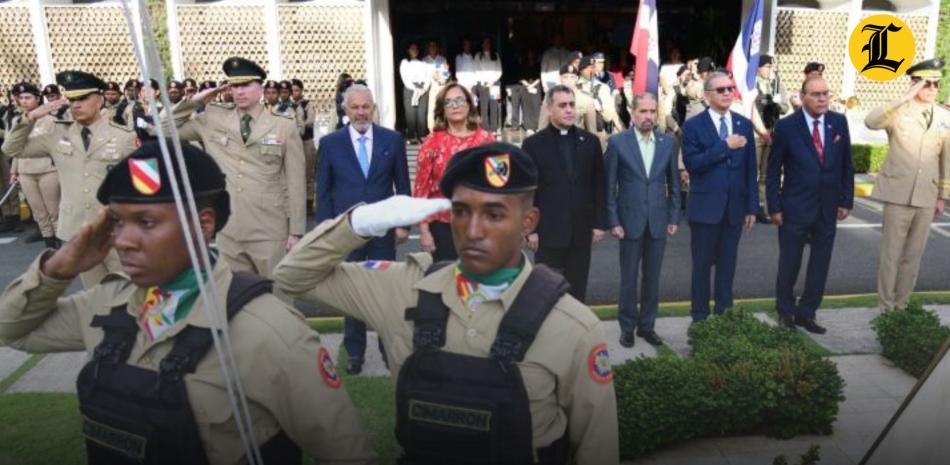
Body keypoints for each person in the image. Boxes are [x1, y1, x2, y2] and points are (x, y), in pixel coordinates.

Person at [0, 141, 376, 465]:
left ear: (205, 223)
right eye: (117, 222)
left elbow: (346, 453)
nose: (124, 240)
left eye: (146, 222)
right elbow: (12, 331)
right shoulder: (108, 305)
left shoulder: (267, 329)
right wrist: (57, 268)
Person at [273, 142, 619, 465]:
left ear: (528, 223)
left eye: (494, 215)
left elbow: (597, 448)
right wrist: (360, 223)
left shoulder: (571, 326)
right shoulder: (405, 289)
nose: (473, 230)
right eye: (461, 212)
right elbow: (291, 277)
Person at [168, 57, 306, 282]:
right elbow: (162, 129)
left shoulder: (283, 125)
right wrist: (194, 102)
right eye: (235, 86)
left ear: (260, 88)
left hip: (270, 229)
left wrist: (296, 231)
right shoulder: (213, 117)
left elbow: (296, 181)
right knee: (236, 302)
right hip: (230, 229)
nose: (239, 91)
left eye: (246, 85)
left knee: (277, 298)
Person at [2, 70, 137, 288]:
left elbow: (142, 184)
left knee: (129, 290)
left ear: (100, 99)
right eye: (72, 99)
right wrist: (30, 118)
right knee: (95, 296)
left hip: (115, 229)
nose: (76, 105)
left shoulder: (123, 137)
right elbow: (11, 149)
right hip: (78, 230)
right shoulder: (58, 134)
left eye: (83, 98)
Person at [316, 83, 410, 374]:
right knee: (351, 292)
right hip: (346, 231)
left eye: (365, 106)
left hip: (383, 232)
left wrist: (404, 224)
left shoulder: (392, 140)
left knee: (385, 292)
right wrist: (327, 230)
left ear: (373, 108)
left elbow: (402, 186)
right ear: (346, 109)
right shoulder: (331, 144)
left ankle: (387, 349)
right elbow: (324, 190)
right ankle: (354, 353)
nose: (360, 112)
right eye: (354, 107)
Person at [767, 77, 853, 333]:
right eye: (816, 94)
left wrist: (846, 199)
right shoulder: (786, 126)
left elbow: (846, 165)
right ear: (802, 96)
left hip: (828, 208)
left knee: (820, 265)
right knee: (789, 263)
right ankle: (785, 313)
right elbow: (773, 172)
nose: (822, 98)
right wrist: (774, 207)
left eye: (826, 93)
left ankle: (807, 313)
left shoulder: (838, 122)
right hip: (794, 208)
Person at [865, 58, 950, 311]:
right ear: (915, 84)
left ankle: (901, 307)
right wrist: (904, 97)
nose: (933, 88)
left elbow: (947, 159)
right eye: (927, 83)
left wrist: (942, 197)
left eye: (937, 83)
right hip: (898, 194)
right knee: (891, 256)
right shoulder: (898, 112)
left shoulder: (945, 117)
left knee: (913, 258)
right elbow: (871, 121)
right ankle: (885, 308)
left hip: (926, 196)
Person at [605, 93, 681, 348]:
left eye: (652, 111)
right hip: (628, 222)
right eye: (643, 111)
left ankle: (647, 326)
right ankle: (627, 327)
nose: (648, 116)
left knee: (652, 278)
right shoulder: (617, 143)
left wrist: (673, 216)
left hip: (658, 220)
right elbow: (609, 187)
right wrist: (613, 220)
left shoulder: (667, 143)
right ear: (633, 113)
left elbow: (674, 183)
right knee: (628, 278)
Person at [682, 71, 758, 323]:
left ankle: (725, 319)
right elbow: (693, 165)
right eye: (721, 90)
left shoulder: (743, 124)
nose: (728, 93)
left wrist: (751, 207)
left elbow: (750, 171)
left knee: (727, 270)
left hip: (734, 210)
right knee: (702, 269)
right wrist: (724, 146)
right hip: (705, 210)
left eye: (730, 89)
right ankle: (700, 320)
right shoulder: (693, 126)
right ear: (706, 96)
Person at [524, 85, 606, 303]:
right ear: (550, 109)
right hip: (547, 233)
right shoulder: (532, 144)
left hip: (581, 232)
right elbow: (527, 190)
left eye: (572, 105)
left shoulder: (590, 142)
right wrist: (530, 230)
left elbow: (599, 184)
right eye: (563, 105)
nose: (569, 110)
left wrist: (599, 223)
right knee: (545, 293)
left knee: (577, 291)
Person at [414, 83, 494, 262]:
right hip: (443, 227)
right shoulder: (431, 143)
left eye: (459, 100)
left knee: (479, 284)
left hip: (481, 224)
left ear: (469, 104)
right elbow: (421, 190)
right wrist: (425, 232)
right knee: (446, 282)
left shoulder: (487, 141)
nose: (455, 105)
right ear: (442, 109)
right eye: (448, 102)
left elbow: (499, 184)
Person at [6, 82, 61, 248]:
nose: (24, 101)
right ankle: (49, 243)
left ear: (37, 98)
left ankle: (61, 242)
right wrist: (14, 171)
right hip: (25, 170)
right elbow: (16, 148)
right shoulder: (17, 121)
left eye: (28, 97)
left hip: (47, 169)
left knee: (54, 210)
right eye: (21, 98)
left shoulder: (50, 120)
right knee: (39, 212)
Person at [753, 54, 788, 224]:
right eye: (767, 66)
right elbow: (749, 108)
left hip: (771, 132)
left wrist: (777, 103)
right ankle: (750, 207)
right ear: (759, 67)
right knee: (753, 172)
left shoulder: (776, 84)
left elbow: (785, 107)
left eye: (771, 67)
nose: (770, 70)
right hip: (756, 133)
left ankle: (762, 207)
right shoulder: (752, 83)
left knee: (766, 175)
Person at [579, 55, 623, 148]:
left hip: (598, 136)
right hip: (578, 136)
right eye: (587, 68)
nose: (591, 70)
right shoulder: (573, 88)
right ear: (580, 70)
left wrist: (600, 108)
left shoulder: (602, 88)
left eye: (593, 67)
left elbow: (609, 116)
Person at [538, 64, 598, 132]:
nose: (569, 80)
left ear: (577, 79)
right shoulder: (550, 97)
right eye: (565, 77)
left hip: (577, 140)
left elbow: (592, 130)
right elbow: (542, 125)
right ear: (560, 78)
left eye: (572, 77)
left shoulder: (585, 99)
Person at [290, 78, 319, 214]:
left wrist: (298, 123)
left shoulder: (307, 104)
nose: (294, 93)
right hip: (293, 143)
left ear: (301, 90)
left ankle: (308, 205)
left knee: (308, 174)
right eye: (292, 90)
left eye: (297, 90)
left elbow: (310, 121)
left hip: (306, 141)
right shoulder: (288, 105)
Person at [399, 42, 431, 144]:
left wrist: (424, 88)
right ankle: (412, 136)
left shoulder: (424, 63)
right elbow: (405, 77)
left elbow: (428, 77)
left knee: (422, 113)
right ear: (408, 51)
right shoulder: (405, 63)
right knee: (410, 113)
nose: (414, 51)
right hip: (410, 89)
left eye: (416, 49)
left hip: (422, 90)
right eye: (412, 49)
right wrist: (414, 88)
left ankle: (422, 135)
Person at [474, 37, 503, 135]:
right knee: (484, 107)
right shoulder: (478, 56)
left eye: (488, 43)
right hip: (483, 85)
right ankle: (485, 129)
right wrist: (485, 82)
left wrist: (492, 82)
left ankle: (494, 128)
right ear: (482, 45)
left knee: (494, 106)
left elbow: (499, 70)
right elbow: (476, 70)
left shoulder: (495, 55)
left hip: (494, 85)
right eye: (485, 43)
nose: (486, 45)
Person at [423, 40, 449, 133]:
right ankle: (431, 130)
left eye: (434, 46)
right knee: (432, 109)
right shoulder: (425, 60)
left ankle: (443, 128)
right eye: (431, 46)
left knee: (443, 108)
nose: (432, 48)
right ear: (428, 48)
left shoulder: (442, 59)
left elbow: (446, 73)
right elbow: (424, 75)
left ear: (437, 48)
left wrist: (443, 79)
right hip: (431, 86)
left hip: (442, 86)